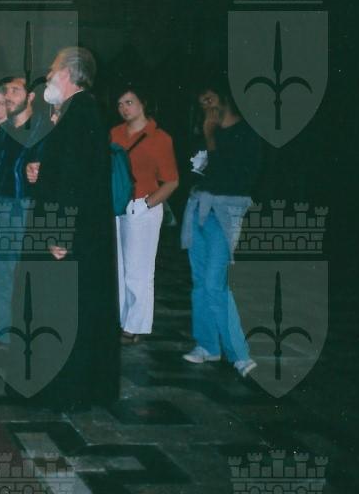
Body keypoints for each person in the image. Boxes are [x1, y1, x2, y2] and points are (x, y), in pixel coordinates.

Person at [24, 47, 119, 409]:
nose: (48, 77)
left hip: (68, 233)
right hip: (76, 230)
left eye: (52, 70)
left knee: (66, 310)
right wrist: (41, 171)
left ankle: (67, 390)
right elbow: (68, 171)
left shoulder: (79, 113)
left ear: (66, 73)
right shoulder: (77, 112)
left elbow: (75, 182)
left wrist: (58, 232)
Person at [180, 80, 262, 377]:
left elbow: (231, 175)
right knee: (200, 281)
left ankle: (239, 354)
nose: (207, 106)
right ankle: (207, 345)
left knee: (216, 283)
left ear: (225, 98)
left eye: (211, 98)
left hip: (225, 213)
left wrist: (210, 136)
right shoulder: (204, 132)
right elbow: (197, 171)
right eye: (202, 101)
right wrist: (205, 137)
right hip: (199, 208)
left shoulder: (245, 133)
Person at [111, 86, 179, 344]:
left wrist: (147, 204)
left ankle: (134, 326)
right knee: (119, 268)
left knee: (138, 271)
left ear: (143, 104)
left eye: (129, 102)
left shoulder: (160, 138)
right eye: (120, 104)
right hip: (117, 206)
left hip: (142, 207)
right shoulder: (114, 134)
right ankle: (119, 320)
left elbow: (171, 181)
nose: (124, 108)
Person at [0, 76, 42, 345]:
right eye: (6, 91)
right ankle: (2, 332)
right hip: (0, 207)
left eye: (15, 91)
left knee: (27, 272)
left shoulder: (42, 130)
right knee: (1, 272)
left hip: (27, 207)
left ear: (30, 97)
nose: (8, 96)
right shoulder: (2, 132)